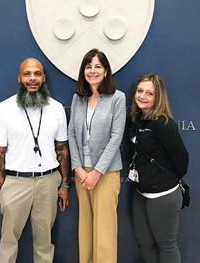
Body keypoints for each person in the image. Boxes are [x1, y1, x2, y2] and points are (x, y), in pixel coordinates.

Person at [0, 58, 70, 263]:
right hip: (15, 183)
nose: (32, 78)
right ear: (19, 78)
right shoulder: (3, 109)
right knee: (8, 242)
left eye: (37, 74)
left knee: (44, 243)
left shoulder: (57, 108)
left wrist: (65, 183)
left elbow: (62, 149)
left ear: (43, 77)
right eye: (27, 74)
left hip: (48, 182)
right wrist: (4, 189)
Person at [68, 48, 126, 263]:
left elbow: (116, 137)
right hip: (82, 173)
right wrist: (78, 168)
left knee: (105, 232)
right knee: (86, 229)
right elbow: (71, 133)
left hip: (106, 173)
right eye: (88, 66)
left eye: (97, 66)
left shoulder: (117, 98)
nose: (92, 71)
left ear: (106, 71)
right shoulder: (78, 99)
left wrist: (98, 171)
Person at [127, 73, 189, 263]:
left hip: (163, 194)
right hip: (140, 192)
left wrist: (161, 179)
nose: (142, 96)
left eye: (149, 93)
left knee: (166, 245)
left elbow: (182, 161)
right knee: (144, 243)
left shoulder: (163, 124)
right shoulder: (135, 120)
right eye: (140, 91)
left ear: (158, 97)